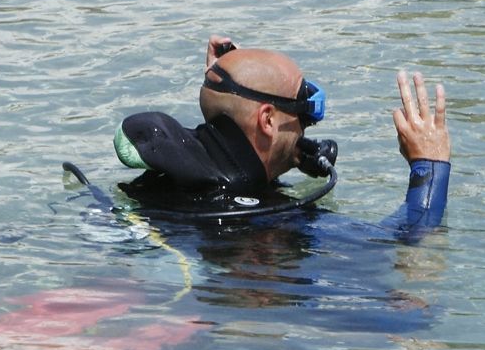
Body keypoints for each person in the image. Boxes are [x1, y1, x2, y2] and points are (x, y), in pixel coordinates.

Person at [112, 35, 450, 231]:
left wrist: (227, 85)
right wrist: (429, 164)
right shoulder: (272, 224)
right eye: (303, 112)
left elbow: (229, 146)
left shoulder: (170, 178)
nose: (306, 126)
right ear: (267, 121)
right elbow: (405, 240)